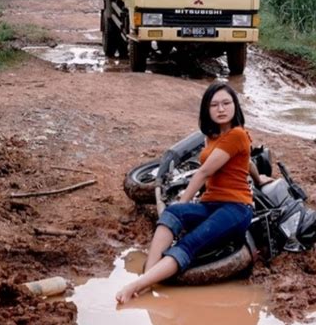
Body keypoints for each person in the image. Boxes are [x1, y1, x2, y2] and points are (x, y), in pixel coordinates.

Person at [116, 82, 271, 304]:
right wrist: (259, 178)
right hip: (211, 204)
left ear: (235, 106)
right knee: (171, 215)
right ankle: (148, 276)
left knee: (188, 242)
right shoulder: (212, 137)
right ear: (207, 110)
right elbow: (246, 162)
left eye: (226, 103)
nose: (221, 109)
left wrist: (182, 204)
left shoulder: (238, 135)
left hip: (236, 209)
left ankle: (137, 285)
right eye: (214, 104)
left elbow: (203, 173)